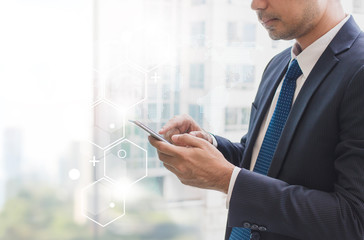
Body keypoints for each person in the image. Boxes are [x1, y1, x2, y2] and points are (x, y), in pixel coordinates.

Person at [148, 0, 364, 239]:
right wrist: (210, 146)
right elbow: (260, 161)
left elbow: (354, 220)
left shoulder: (359, 70)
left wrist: (227, 180)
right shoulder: (279, 64)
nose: (255, 5)